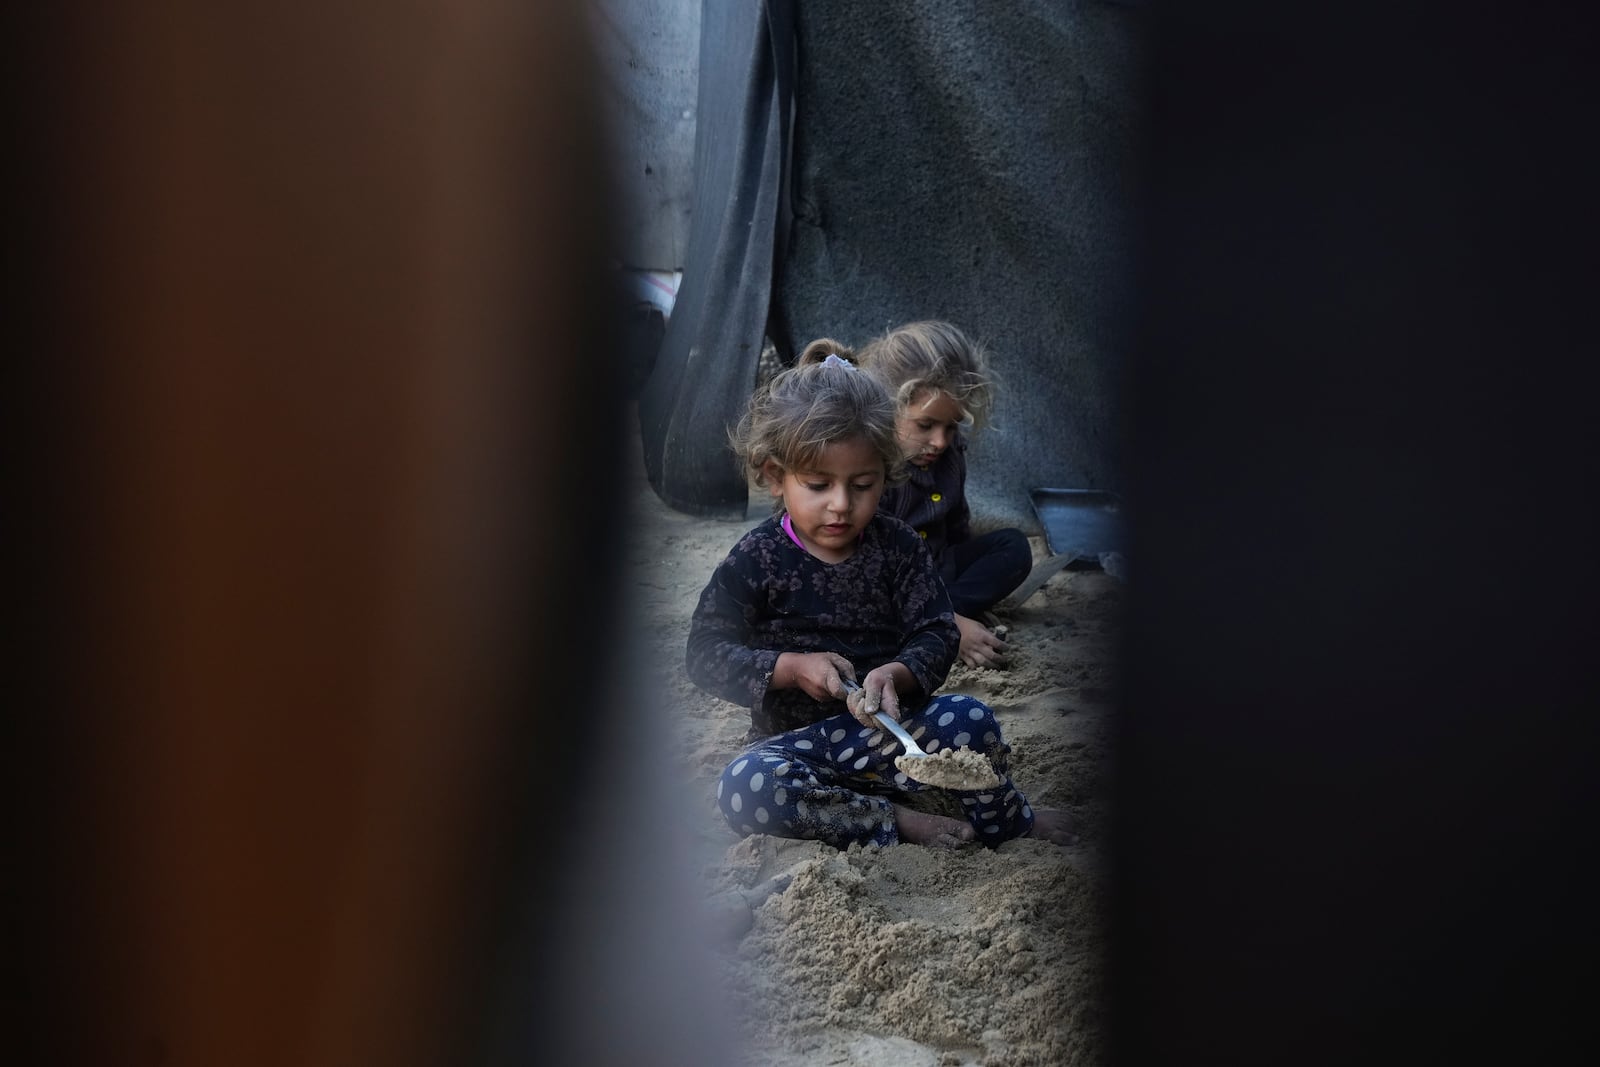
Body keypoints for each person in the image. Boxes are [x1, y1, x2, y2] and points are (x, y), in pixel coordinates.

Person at [686, 342, 1075, 850]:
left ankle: (1010, 820)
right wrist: (790, 667)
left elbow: (936, 631)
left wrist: (897, 672)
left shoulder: (898, 547)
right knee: (743, 786)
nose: (841, 505)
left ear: (887, 476)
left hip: (897, 739)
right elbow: (705, 653)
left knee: (971, 718)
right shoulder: (757, 556)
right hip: (800, 750)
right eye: (819, 484)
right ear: (775, 476)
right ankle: (896, 821)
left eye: (862, 485)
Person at [858, 320, 1034, 669]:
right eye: (925, 426)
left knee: (1013, 547)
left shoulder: (950, 456)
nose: (940, 441)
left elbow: (957, 527)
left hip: (941, 571)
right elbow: (866, 569)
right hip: (889, 587)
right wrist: (950, 621)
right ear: (887, 410)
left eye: (951, 426)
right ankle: (941, 624)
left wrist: (951, 597)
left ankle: (944, 613)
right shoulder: (871, 472)